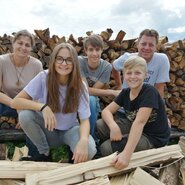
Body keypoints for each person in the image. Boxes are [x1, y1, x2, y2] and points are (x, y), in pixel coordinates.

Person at [11, 43, 97, 163]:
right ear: (54, 60)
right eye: (60, 59)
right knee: (25, 115)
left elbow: (84, 121)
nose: (64, 63)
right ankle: (44, 154)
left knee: (90, 149)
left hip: (69, 130)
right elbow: (15, 102)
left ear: (74, 63)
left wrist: (83, 141)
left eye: (69, 60)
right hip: (48, 130)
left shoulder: (80, 85)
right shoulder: (43, 77)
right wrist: (43, 107)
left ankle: (71, 160)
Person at [96, 55, 170, 170]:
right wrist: (113, 126)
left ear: (145, 75)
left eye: (137, 73)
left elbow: (139, 123)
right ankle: (116, 145)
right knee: (101, 125)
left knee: (106, 148)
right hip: (134, 126)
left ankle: (121, 151)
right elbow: (106, 111)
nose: (133, 77)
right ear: (124, 75)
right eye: (129, 73)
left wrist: (126, 154)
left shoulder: (149, 92)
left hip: (152, 136)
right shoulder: (126, 92)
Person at [78, 34, 118, 141]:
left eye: (97, 50)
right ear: (85, 50)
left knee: (90, 100)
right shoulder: (80, 61)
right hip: (75, 95)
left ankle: (91, 137)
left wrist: (90, 92)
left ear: (102, 50)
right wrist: (112, 92)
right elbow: (84, 90)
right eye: (91, 50)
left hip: (90, 98)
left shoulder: (106, 67)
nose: (94, 53)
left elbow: (89, 93)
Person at [0, 29, 43, 129]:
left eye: (27, 45)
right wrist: (18, 106)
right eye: (20, 43)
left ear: (31, 48)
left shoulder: (36, 65)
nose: (23, 47)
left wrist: (26, 110)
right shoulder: (2, 61)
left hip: (29, 106)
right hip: (7, 104)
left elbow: (39, 95)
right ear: (13, 43)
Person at [112, 29, 170, 98]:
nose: (146, 48)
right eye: (143, 44)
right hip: (126, 101)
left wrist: (157, 106)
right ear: (137, 45)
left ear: (156, 47)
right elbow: (114, 66)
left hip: (148, 101)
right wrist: (119, 85)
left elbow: (159, 87)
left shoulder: (161, 60)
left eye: (151, 45)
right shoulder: (128, 58)